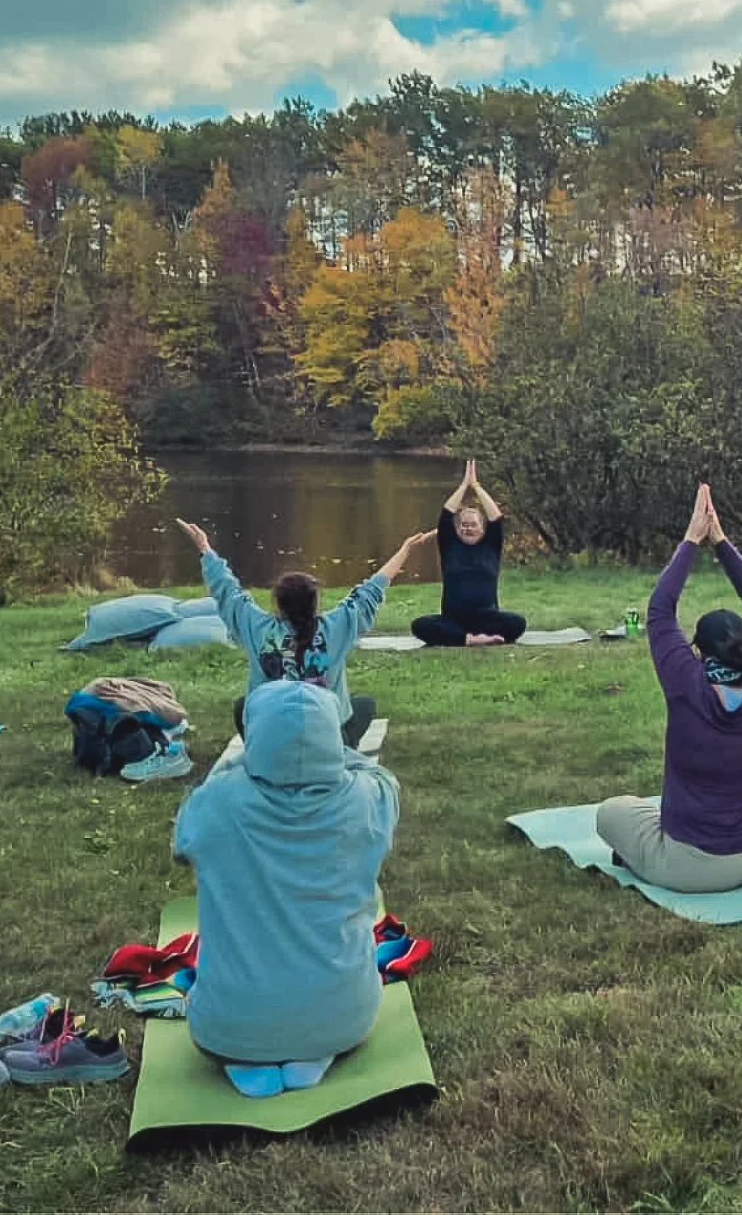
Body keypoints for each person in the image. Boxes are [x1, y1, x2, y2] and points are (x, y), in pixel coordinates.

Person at [171, 678, 399, 1097]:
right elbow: (380, 777)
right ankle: (313, 1050)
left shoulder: (217, 800)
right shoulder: (369, 798)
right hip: (344, 1017)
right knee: (325, 1014)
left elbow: (182, 847)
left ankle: (247, 1057)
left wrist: (237, 766)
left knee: (233, 1020)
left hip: (227, 1026)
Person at [595, 484, 742, 893]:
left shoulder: (688, 684)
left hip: (697, 868)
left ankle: (641, 859)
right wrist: (721, 542)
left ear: (698, 651)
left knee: (613, 812)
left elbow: (660, 610)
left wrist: (691, 540)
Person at [176, 519, 433, 750]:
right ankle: (345, 746)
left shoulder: (255, 627)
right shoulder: (337, 626)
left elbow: (226, 589)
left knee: (243, 706)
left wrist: (205, 548)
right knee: (364, 704)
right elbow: (372, 589)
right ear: (314, 602)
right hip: (327, 739)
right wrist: (405, 551)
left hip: (270, 736)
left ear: (278, 603)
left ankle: (262, 749)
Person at [410, 459, 525, 648]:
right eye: (464, 524)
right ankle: (471, 639)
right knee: (420, 626)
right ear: (458, 528)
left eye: (473, 524)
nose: (468, 528)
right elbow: (447, 514)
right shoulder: (450, 545)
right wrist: (464, 486)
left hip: (487, 618)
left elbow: (496, 518)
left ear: (481, 528)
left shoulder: (491, 546)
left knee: (518, 623)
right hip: (453, 619)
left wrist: (477, 486)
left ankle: (464, 638)